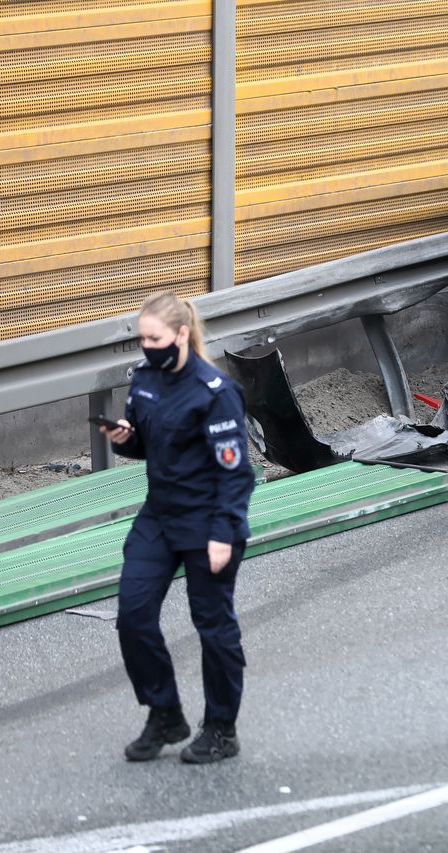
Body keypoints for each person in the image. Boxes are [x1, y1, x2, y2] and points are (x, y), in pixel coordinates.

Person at [98, 291, 255, 762]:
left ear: (182, 335)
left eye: (155, 337)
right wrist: (126, 440)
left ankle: (222, 728)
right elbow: (149, 445)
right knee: (133, 615)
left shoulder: (215, 392)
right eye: (142, 338)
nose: (147, 346)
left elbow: (236, 472)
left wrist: (224, 532)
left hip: (208, 521)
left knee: (213, 626)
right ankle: (164, 714)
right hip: (159, 517)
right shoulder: (145, 380)